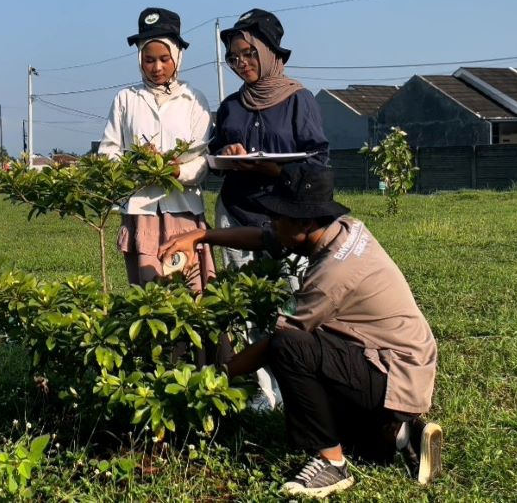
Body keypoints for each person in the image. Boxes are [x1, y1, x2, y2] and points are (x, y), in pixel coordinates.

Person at [159, 163, 442, 498]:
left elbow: (279, 342)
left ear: (306, 221)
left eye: (280, 217)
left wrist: (213, 379)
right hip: (398, 362)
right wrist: (200, 235)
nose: (273, 223)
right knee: (365, 445)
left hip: (394, 370)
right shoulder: (341, 230)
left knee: (289, 346)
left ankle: (331, 462)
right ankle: (399, 431)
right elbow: (265, 237)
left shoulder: (332, 274)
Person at [211, 8, 331, 409]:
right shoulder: (231, 106)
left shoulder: (300, 100)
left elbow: (317, 162)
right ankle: (265, 391)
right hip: (236, 212)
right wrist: (226, 152)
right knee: (244, 303)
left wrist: (274, 168)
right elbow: (214, 152)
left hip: (285, 221)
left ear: (269, 52)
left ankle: (294, 382)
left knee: (288, 302)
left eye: (248, 53)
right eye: (233, 57)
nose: (241, 63)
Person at [98, 6, 215, 290]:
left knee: (193, 289)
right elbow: (108, 150)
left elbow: (203, 158)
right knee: (149, 293)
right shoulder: (126, 99)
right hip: (143, 211)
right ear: (140, 59)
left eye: (164, 59)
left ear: (177, 56)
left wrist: (178, 171)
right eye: (149, 60)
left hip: (184, 210)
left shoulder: (193, 100)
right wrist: (135, 164)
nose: (157, 67)